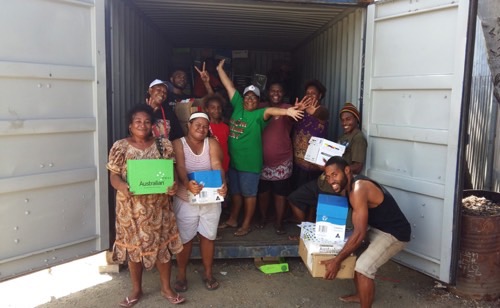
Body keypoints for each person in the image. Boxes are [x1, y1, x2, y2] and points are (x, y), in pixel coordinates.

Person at [107, 104, 186, 307]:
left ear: (153, 125)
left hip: (158, 208)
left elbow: (171, 171)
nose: (142, 125)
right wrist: (122, 186)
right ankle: (136, 289)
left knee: (162, 248)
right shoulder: (120, 147)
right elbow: (113, 175)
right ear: (130, 125)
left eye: (147, 121)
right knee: (134, 250)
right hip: (130, 210)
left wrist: (173, 185)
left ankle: (166, 288)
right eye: (138, 121)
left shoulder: (163, 145)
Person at [215, 59, 305, 236]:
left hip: (250, 165)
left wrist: (287, 112)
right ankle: (233, 219)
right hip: (234, 163)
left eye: (254, 97)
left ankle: (246, 224)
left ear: (258, 101)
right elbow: (229, 86)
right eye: (247, 96)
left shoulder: (259, 114)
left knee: (249, 196)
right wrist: (219, 69)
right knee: (236, 194)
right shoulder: (238, 105)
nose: (249, 99)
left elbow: (272, 111)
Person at [319, 156, 411, 308]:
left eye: (334, 175)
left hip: (394, 233)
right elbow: (357, 229)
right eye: (328, 177)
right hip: (377, 228)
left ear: (347, 170)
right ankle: (361, 295)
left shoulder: (358, 189)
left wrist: (336, 261)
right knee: (352, 252)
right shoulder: (347, 188)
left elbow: (360, 233)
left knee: (363, 268)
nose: (330, 181)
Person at [172, 112, 228, 293]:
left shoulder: (211, 143)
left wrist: (222, 183)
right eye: (197, 124)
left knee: (208, 236)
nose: (201, 129)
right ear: (189, 124)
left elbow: (217, 164)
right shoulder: (178, 143)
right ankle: (181, 275)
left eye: (205, 126)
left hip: (211, 198)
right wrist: (187, 183)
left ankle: (208, 273)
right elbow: (180, 166)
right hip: (185, 199)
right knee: (185, 239)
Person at [256, 82, 294, 235]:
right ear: (268, 92)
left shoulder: (288, 108)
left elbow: (293, 120)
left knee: (280, 193)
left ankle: (279, 222)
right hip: (261, 159)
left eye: (279, 90)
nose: (276, 93)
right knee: (263, 192)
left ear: (283, 93)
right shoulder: (260, 107)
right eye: (273, 90)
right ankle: (263, 218)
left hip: (282, 159)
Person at [292, 80, 329, 189]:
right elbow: (289, 121)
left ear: (320, 95)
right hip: (297, 162)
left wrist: (314, 113)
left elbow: (324, 114)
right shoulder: (300, 111)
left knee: (310, 194)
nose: (310, 96)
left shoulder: (322, 111)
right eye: (307, 93)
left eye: (313, 93)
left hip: (313, 165)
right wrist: (296, 110)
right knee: (296, 191)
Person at [337, 102, 367, 175]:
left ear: (356, 119)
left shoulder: (358, 138)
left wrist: (336, 170)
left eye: (348, 119)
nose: (344, 123)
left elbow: (357, 167)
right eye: (342, 120)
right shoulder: (343, 136)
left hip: (343, 181)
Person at [204, 94, 230, 173]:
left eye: (219, 107)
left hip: (225, 166)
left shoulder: (226, 127)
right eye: (213, 107)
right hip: (211, 167)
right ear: (207, 109)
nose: (216, 110)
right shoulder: (205, 127)